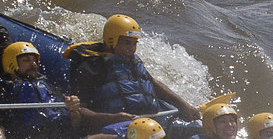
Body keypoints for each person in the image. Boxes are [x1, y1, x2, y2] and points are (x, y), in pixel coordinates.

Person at [62, 14, 197, 132]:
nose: (131, 49)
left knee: (194, 132)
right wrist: (113, 118)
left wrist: (184, 105)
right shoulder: (90, 67)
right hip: (117, 127)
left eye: (134, 44)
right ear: (111, 41)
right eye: (127, 43)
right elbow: (80, 111)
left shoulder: (134, 62)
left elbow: (153, 84)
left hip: (150, 122)